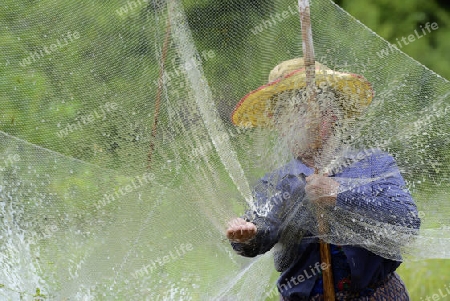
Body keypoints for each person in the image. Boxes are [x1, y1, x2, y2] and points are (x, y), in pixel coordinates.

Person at [226, 58, 421, 300]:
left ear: (332, 114)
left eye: (304, 110)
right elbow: (264, 229)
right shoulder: (278, 182)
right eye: (284, 116)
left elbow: (407, 221)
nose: (294, 125)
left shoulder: (374, 165)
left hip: (378, 294)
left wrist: (340, 194)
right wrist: (248, 235)